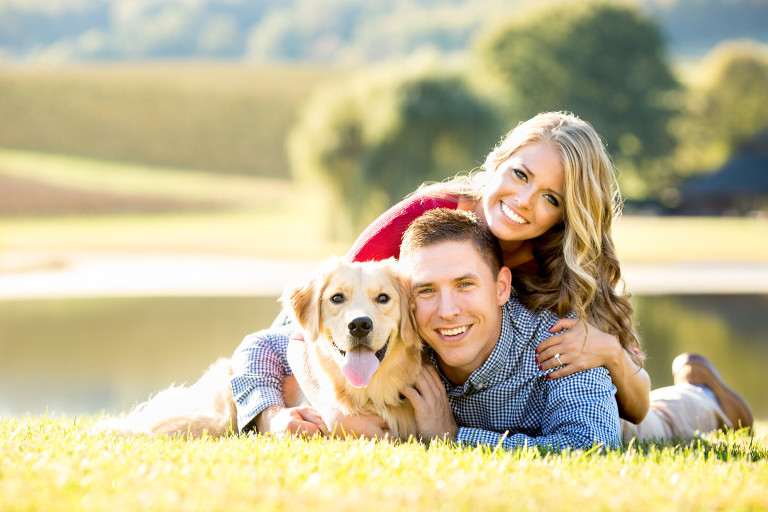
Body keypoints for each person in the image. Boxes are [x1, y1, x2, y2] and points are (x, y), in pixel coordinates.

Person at [244, 111, 751, 440]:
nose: (524, 202)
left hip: (541, 399)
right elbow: (310, 330)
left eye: (551, 198)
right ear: (498, 163)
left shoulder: (563, 271)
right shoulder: (421, 225)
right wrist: (336, 411)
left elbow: (632, 406)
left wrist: (613, 355)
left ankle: (704, 399)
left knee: (639, 430)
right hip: (447, 397)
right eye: (521, 175)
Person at [234, 209, 621, 449]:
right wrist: (295, 414)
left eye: (465, 284)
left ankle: (686, 389)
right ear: (410, 301)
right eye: (427, 291)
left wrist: (452, 436)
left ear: (502, 286)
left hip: (637, 415)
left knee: (667, 415)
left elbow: (593, 447)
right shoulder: (413, 335)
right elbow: (264, 345)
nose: (448, 311)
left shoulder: (560, 345)